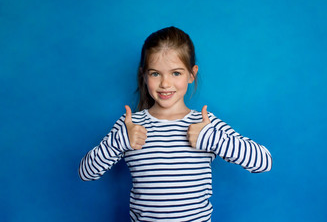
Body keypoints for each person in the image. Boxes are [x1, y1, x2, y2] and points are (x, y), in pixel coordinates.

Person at [79, 26, 272, 222]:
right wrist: (119, 141)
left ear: (191, 74)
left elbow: (263, 162)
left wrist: (213, 139)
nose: (165, 83)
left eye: (176, 73)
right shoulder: (130, 125)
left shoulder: (205, 124)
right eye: (155, 73)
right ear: (143, 75)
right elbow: (87, 172)